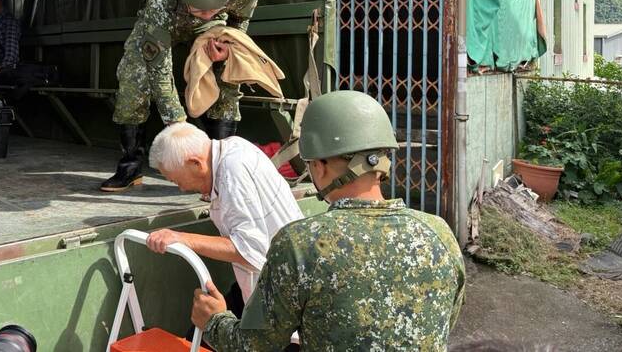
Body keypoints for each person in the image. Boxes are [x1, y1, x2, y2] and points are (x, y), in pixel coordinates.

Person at [191, 90, 466, 351]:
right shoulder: (439, 234)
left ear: (320, 166)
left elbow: (253, 345)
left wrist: (214, 320)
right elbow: (443, 324)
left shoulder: (300, 244)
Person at [101, 0, 258, 192]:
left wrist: (228, 42)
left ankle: (220, 174)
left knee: (228, 74)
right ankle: (129, 168)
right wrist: (178, 124)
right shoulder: (159, 2)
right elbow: (159, 70)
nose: (206, 15)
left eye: (213, 10)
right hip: (163, 23)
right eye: (200, 10)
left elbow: (241, 18)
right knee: (134, 79)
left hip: (207, 28)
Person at [146, 122, 303, 306]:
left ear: (196, 163)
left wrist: (181, 238)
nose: (181, 188)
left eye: (177, 180)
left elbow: (250, 248)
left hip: (280, 293)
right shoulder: (233, 147)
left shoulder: (232, 172)